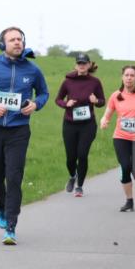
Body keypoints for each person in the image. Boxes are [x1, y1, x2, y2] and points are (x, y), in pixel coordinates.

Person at [0, 26, 49, 245]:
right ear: (2, 44)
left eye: (19, 39)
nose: (17, 43)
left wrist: (35, 104)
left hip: (19, 131)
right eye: (12, 39)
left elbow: (44, 93)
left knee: (14, 178)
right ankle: (2, 208)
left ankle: (11, 227)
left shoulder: (32, 70)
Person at [100, 65, 135, 212]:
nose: (129, 78)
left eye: (132, 75)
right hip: (121, 136)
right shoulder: (116, 95)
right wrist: (104, 120)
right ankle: (129, 201)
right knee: (125, 167)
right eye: (126, 75)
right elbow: (108, 112)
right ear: (122, 77)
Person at [55, 52, 105, 197]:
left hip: (88, 125)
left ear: (89, 65)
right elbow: (58, 99)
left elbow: (102, 101)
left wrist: (96, 101)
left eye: (84, 63)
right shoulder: (67, 81)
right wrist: (66, 103)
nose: (81, 66)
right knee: (71, 157)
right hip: (70, 123)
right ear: (75, 65)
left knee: (82, 155)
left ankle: (80, 186)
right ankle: (72, 176)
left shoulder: (95, 82)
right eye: (79, 63)